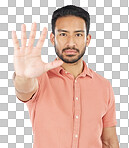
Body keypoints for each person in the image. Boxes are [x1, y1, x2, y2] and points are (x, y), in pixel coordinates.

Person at [12, 5, 119, 148]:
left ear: (87, 39)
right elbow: (24, 90)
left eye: (78, 34)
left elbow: (109, 142)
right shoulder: (39, 79)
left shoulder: (103, 85)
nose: (71, 43)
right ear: (52, 38)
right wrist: (23, 76)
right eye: (63, 34)